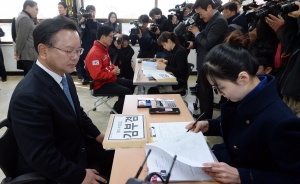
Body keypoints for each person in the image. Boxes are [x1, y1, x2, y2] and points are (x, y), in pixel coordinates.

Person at [8, 16, 114, 184]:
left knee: (124, 157)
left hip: (75, 147)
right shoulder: (29, 97)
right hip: (58, 169)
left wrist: (97, 135)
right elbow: (41, 156)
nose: (75, 57)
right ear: (43, 50)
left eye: (78, 50)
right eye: (68, 51)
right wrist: (79, 175)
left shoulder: (63, 76)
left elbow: (76, 111)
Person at [185, 31, 300, 184]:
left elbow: (294, 178)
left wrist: (242, 176)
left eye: (221, 87)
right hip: (223, 163)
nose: (221, 94)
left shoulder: (281, 121)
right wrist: (208, 125)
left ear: (243, 78)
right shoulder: (242, 96)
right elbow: (237, 128)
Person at [187, 0, 228, 119]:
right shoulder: (211, 20)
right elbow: (205, 39)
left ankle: (206, 119)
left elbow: (208, 43)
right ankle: (204, 115)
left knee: (205, 91)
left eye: (200, 13)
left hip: (210, 62)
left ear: (209, 7)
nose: (200, 16)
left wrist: (196, 32)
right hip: (204, 61)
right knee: (202, 91)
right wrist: (194, 44)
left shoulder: (219, 21)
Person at [85, 25, 134, 114]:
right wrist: (112, 72)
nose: (112, 39)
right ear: (103, 37)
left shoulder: (104, 49)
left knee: (132, 84)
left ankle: (120, 106)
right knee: (126, 91)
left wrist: (114, 68)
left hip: (109, 80)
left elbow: (108, 65)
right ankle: (116, 111)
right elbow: (97, 75)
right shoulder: (95, 53)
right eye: (111, 37)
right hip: (100, 85)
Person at [79, 5, 101, 85]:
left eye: (93, 11)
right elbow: (80, 34)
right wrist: (82, 23)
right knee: (82, 61)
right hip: (86, 46)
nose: (91, 13)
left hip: (95, 48)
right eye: (89, 12)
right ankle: (85, 78)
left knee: (94, 63)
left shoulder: (98, 24)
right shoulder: (84, 23)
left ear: (95, 12)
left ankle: (93, 78)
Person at [15, 0, 39, 76]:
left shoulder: (25, 17)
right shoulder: (25, 18)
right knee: (33, 77)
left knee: (29, 76)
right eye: (36, 9)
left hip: (29, 54)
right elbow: (21, 38)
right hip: (29, 55)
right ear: (28, 7)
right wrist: (17, 53)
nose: (37, 12)